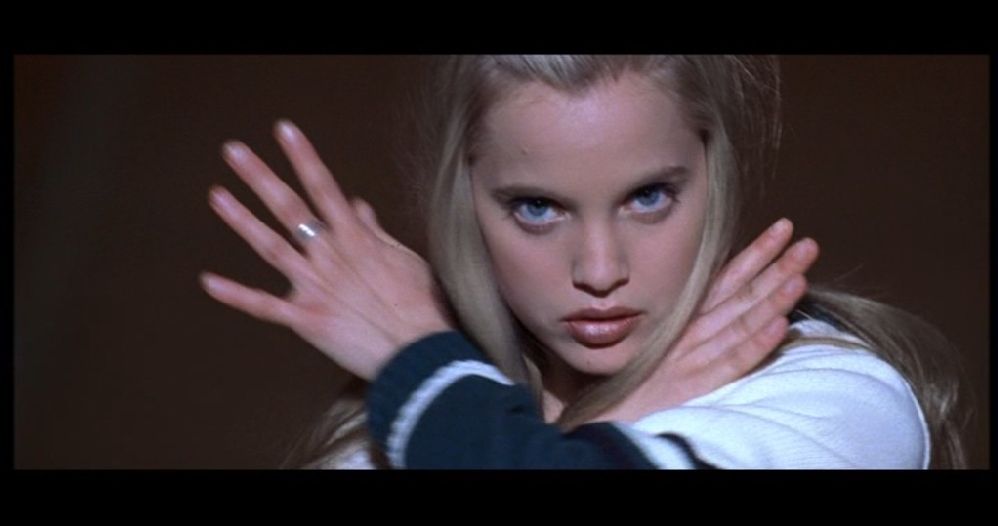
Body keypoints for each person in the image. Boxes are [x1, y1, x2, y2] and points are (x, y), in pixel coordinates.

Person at [200, 55, 966, 469]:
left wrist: (416, 357)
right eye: (537, 207)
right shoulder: (379, 442)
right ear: (463, 200)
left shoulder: (830, 401)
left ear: (718, 173)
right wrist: (618, 419)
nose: (599, 271)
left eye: (649, 197)